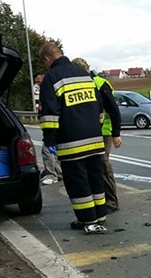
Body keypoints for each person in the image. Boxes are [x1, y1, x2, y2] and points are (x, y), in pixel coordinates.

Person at [38, 42, 108, 235]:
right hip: (94, 138)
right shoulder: (84, 74)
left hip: (71, 142)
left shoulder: (51, 78)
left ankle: (88, 220)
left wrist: (50, 140)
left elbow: (50, 115)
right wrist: (96, 128)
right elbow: (98, 107)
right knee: (95, 178)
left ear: (47, 59)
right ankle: (100, 216)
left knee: (78, 181)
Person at [72, 58, 122, 212]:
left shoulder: (99, 83)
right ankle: (99, 199)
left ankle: (111, 202)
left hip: (104, 132)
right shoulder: (83, 84)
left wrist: (116, 134)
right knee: (93, 167)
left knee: (103, 165)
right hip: (90, 132)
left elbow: (113, 110)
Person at [34, 70, 62, 185]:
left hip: (53, 127)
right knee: (57, 151)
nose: (38, 84)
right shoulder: (50, 89)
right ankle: (59, 173)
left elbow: (50, 112)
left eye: (39, 81)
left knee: (47, 150)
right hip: (56, 126)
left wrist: (49, 132)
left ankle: (51, 174)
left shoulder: (49, 91)